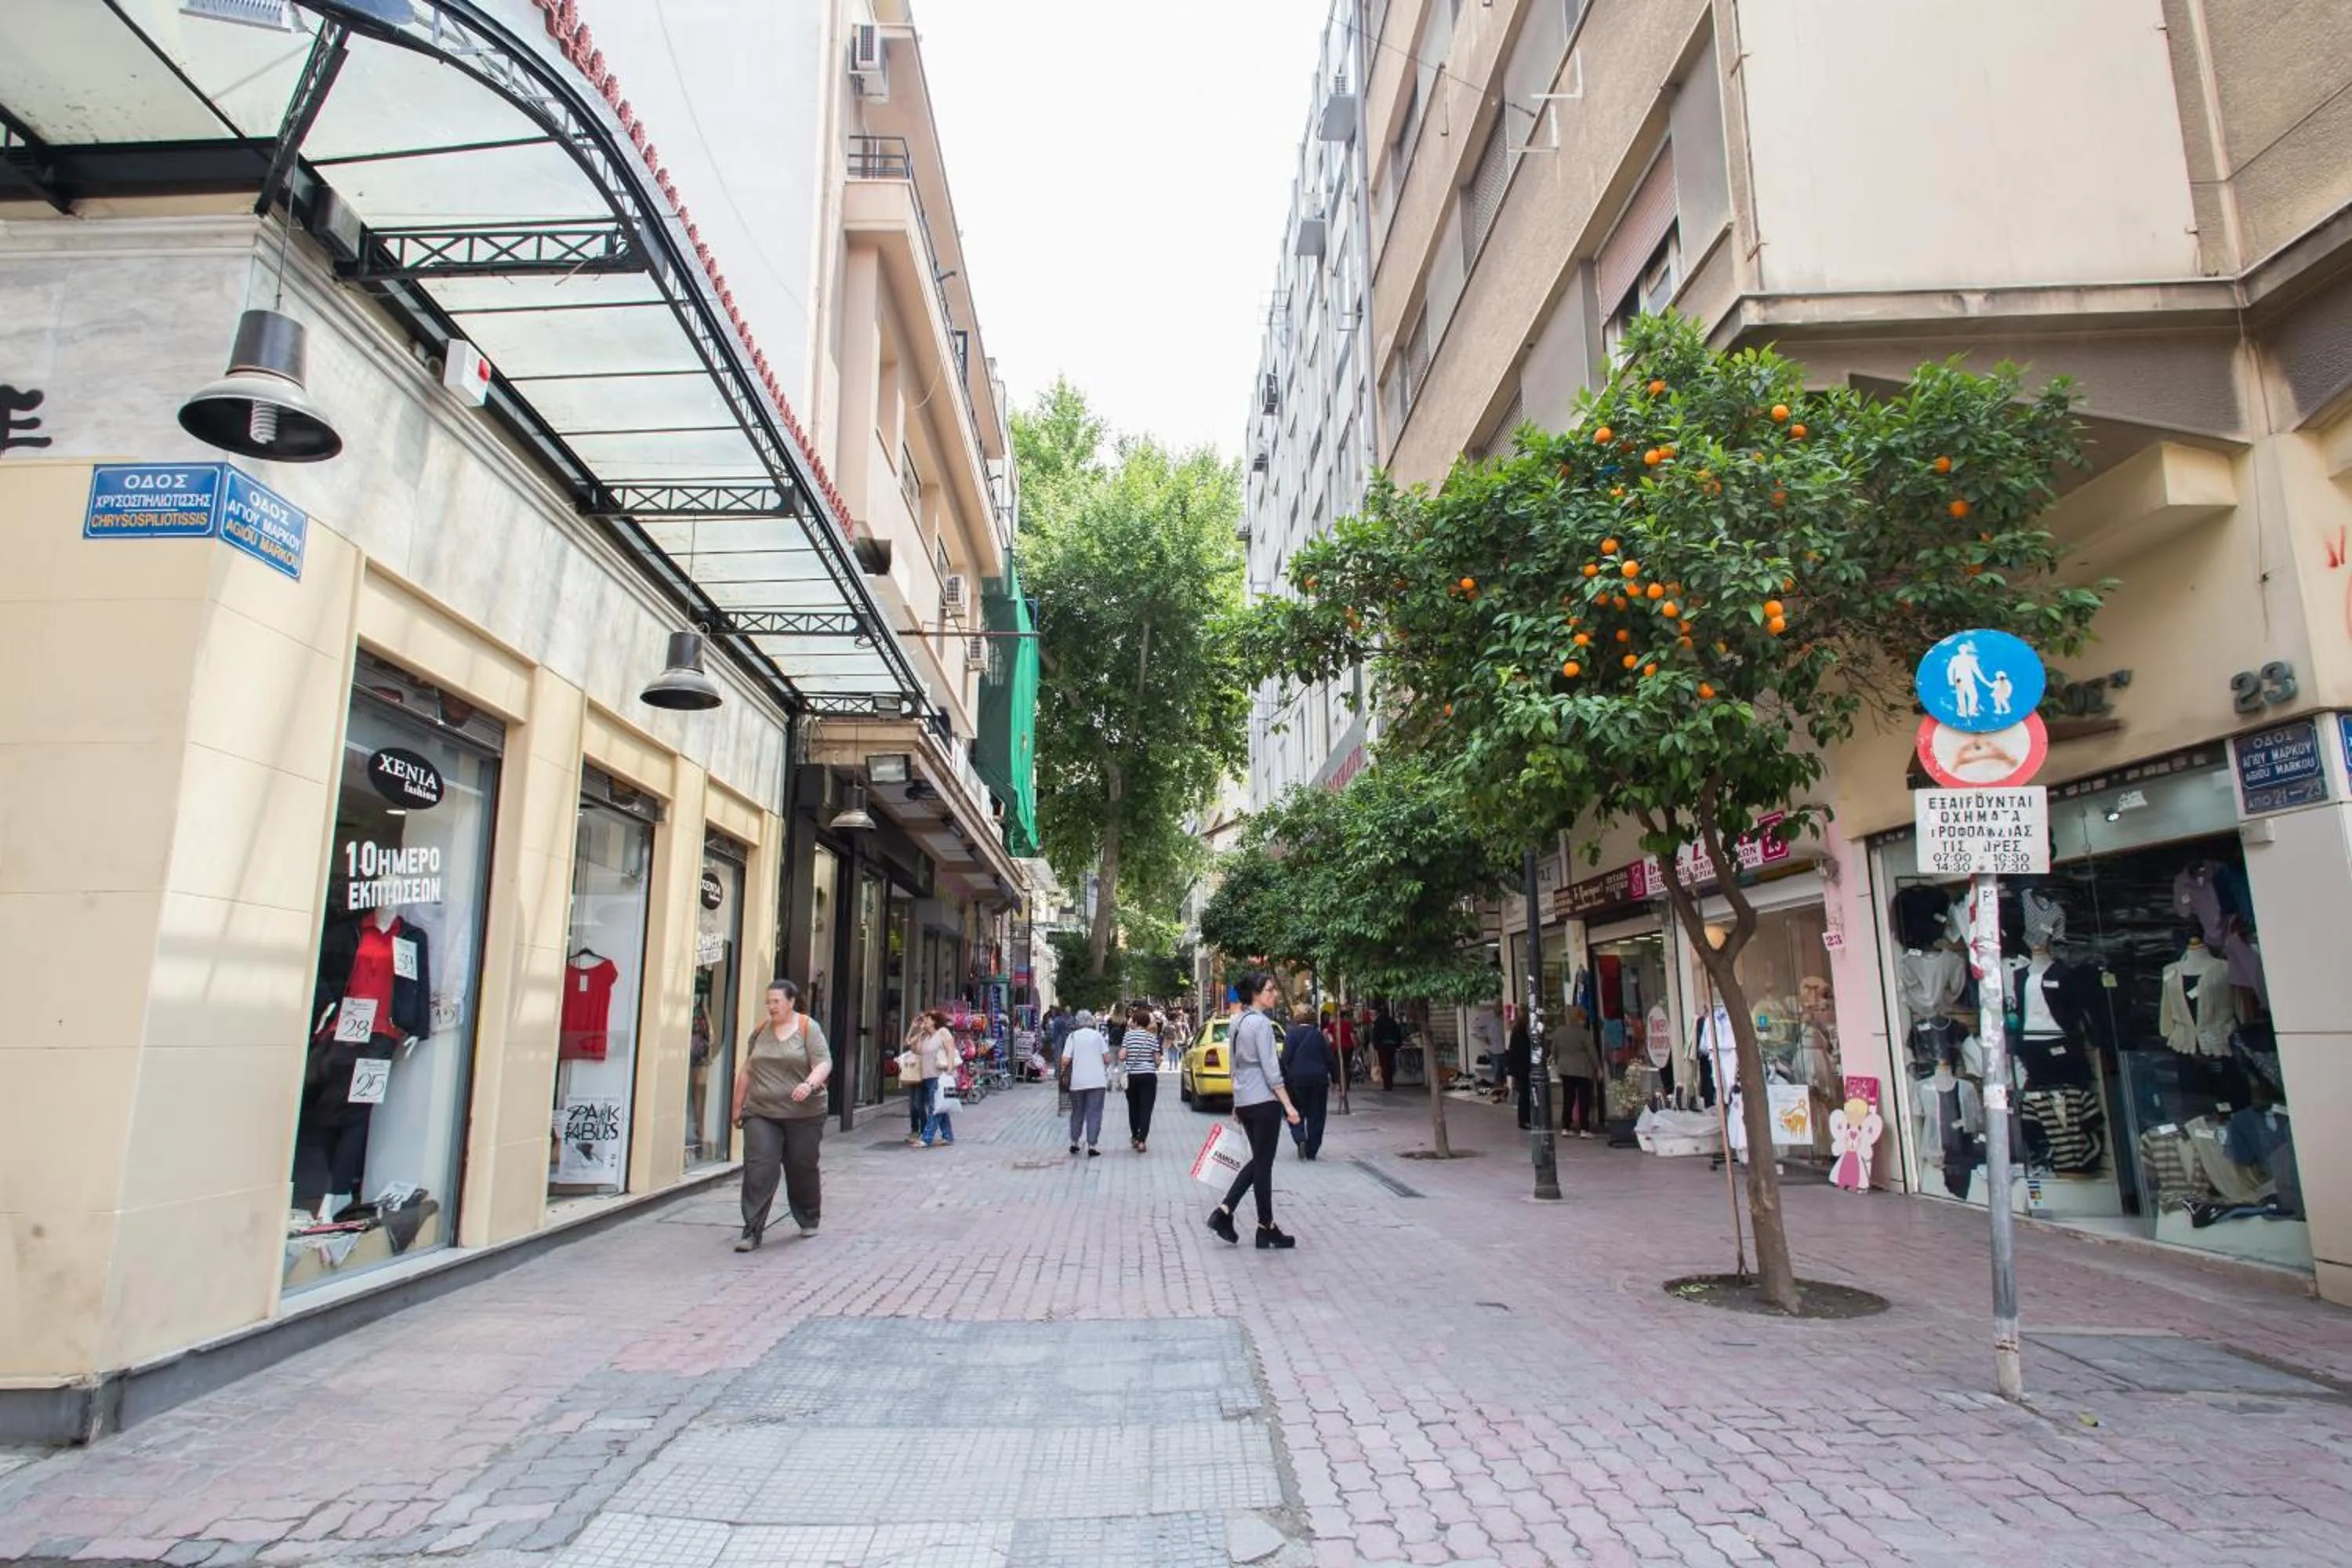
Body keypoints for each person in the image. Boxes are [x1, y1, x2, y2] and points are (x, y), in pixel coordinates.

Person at [731, 978, 831, 1252]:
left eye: (776, 1001)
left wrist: (808, 1084)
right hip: (762, 1111)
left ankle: (809, 1216)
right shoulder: (761, 1031)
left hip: (805, 1114)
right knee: (759, 1168)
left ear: (791, 1002)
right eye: (768, 1001)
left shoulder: (807, 1028)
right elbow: (748, 1070)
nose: (771, 1006)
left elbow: (824, 1062)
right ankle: (751, 1231)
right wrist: (737, 1107)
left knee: (801, 1166)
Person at [1208, 973, 1302, 1249]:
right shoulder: (1262, 1025)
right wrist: (1288, 1105)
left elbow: (1233, 1066)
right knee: (1263, 1163)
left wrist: (1237, 1101)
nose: (1274, 994)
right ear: (1257, 994)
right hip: (1263, 1100)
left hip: (1247, 1100)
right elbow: (1271, 1070)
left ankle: (1261, 1224)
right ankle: (1232, 1213)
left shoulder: (1237, 1022)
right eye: (1270, 990)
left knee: (1261, 1163)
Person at [1283, 1004, 1338, 1160]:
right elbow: (1330, 1059)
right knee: (1317, 1115)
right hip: (1318, 1081)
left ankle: (1300, 1138)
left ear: (1296, 1018)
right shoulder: (1319, 1035)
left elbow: (1285, 1059)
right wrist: (1336, 1080)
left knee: (1295, 1111)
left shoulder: (1291, 1035)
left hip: (1296, 1080)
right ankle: (1312, 1150)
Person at [1060, 1008, 1113, 1156]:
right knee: (1094, 1113)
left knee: (1077, 1112)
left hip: (1077, 1081)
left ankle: (1074, 1142)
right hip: (1097, 1081)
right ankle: (1092, 1145)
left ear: (1077, 1022)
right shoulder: (1098, 1036)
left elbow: (1065, 1060)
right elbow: (1108, 1059)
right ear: (1091, 1021)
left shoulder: (1073, 1037)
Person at [1553, 1009, 1604, 1138]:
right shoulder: (1583, 1033)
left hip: (1565, 1069)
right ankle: (1584, 1128)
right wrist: (1598, 1067)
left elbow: (1554, 1050)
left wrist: (1558, 1063)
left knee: (1568, 1098)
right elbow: (1591, 1051)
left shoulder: (1559, 1032)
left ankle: (1566, 1126)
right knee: (1583, 1099)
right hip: (1582, 1070)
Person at [1120, 1004, 1162, 1152]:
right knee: (1146, 1109)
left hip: (1132, 1076)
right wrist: (1156, 1062)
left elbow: (1122, 1056)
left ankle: (1135, 1136)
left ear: (1136, 1022)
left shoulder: (1128, 1036)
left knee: (1133, 1107)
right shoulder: (1152, 1038)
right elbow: (1157, 1060)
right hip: (1149, 1077)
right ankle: (1143, 1141)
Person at [916, 1008, 960, 1148]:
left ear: (934, 1021)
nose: (924, 1022)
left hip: (942, 1076)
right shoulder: (926, 1037)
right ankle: (948, 1136)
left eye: (927, 1019)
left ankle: (926, 1138)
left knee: (935, 1107)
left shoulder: (943, 1032)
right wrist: (918, 1031)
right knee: (942, 1106)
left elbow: (951, 1050)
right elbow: (915, 1050)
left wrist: (950, 1070)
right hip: (929, 1076)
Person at [898, 1014, 935, 1147]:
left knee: (918, 1103)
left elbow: (917, 1049)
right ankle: (914, 1130)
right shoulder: (919, 1033)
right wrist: (912, 1028)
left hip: (922, 1073)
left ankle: (924, 1130)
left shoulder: (927, 1036)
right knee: (912, 1104)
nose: (920, 1024)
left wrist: (920, 1032)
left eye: (922, 1021)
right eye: (918, 1022)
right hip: (913, 1072)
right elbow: (907, 1043)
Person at [1507, 1014, 1534, 1130]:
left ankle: (1525, 1119)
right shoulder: (1520, 1034)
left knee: (1524, 1094)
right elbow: (1523, 1052)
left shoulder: (1517, 1032)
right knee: (1524, 1094)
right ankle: (1524, 1119)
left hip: (1520, 1069)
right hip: (1522, 1069)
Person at [1370, 1004, 1403, 1092]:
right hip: (1392, 1046)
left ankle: (1387, 1084)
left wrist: (1376, 1045)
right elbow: (1398, 1033)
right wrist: (1398, 1044)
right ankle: (1390, 1082)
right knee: (1390, 1064)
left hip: (1382, 1046)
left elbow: (1375, 1034)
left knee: (1384, 1065)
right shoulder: (1393, 1022)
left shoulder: (1378, 1022)